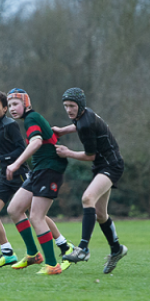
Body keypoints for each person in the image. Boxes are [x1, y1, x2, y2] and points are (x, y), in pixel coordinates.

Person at [0, 90, 74, 268]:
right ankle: (10, 253)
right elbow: (2, 151)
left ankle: (62, 246)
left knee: (36, 214)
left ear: (5, 108)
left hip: (22, 172)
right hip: (6, 173)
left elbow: (24, 146)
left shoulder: (14, 124)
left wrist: (9, 163)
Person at [54, 87, 127, 274]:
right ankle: (116, 249)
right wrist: (62, 131)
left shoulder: (85, 122)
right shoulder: (83, 116)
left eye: (72, 106)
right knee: (101, 214)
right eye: (66, 106)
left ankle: (83, 249)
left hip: (110, 165)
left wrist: (67, 153)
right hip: (104, 166)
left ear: (80, 106)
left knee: (88, 198)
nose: (69, 110)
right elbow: (77, 125)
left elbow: (90, 155)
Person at [5, 88, 69, 275]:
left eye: (15, 104)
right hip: (40, 171)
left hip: (49, 171)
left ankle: (52, 264)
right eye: (9, 105)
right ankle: (33, 254)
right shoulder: (31, 120)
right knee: (14, 209)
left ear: (27, 104)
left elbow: (37, 141)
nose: (12, 108)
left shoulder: (32, 118)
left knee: (36, 217)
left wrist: (16, 164)